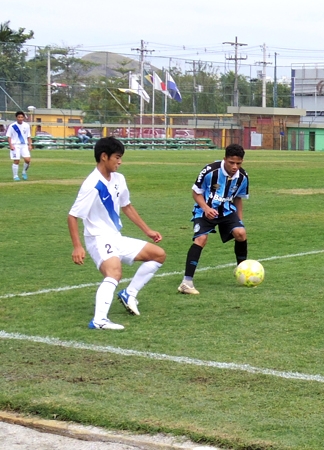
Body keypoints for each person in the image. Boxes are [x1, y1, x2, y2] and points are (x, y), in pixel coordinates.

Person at [68, 136, 166, 329]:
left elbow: (127, 206)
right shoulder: (92, 184)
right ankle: (99, 320)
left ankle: (129, 294)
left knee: (158, 255)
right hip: (97, 238)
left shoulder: (119, 179)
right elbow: (72, 216)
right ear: (104, 156)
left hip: (115, 236)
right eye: (117, 157)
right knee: (114, 272)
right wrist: (77, 246)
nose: (120, 162)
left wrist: (147, 230)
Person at [178, 143, 250, 295]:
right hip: (205, 210)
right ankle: (186, 282)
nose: (235, 166)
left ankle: (243, 271)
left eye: (238, 163)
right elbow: (196, 192)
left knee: (241, 233)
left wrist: (240, 221)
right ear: (225, 159)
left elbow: (238, 199)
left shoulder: (243, 177)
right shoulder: (210, 171)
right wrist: (205, 208)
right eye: (231, 162)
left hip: (226, 211)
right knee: (201, 239)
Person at [6, 111, 32, 181]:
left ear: (23, 118)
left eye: (21, 117)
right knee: (16, 161)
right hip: (15, 145)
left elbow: (28, 136)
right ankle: (15, 176)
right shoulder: (12, 126)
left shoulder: (26, 125)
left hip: (24, 145)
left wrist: (30, 145)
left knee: (27, 160)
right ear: (16, 117)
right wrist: (10, 145)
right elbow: (9, 136)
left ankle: (24, 172)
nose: (20, 118)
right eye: (19, 117)